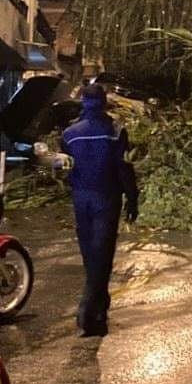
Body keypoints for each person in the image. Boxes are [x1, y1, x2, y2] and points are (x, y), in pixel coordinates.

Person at [62, 84, 139, 337]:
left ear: (83, 102)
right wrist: (132, 197)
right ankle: (87, 311)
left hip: (81, 199)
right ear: (104, 101)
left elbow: (64, 169)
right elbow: (123, 168)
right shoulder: (116, 132)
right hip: (106, 199)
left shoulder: (70, 134)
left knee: (90, 254)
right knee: (102, 255)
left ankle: (99, 310)